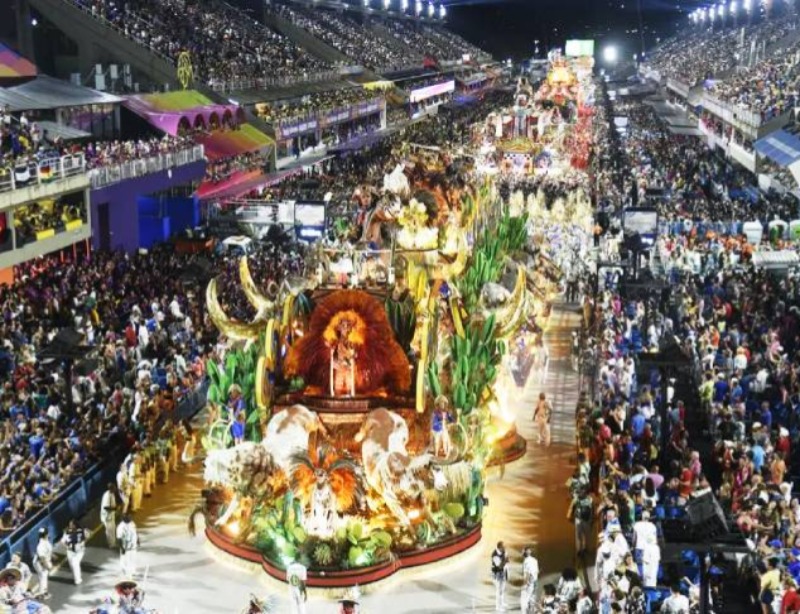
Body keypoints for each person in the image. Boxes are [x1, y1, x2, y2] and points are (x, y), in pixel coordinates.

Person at [61, 519, 86, 585]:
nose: (70, 526)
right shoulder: (67, 532)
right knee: (72, 566)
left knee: (75, 562)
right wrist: (67, 546)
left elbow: (83, 539)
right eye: (69, 524)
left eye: (71, 524)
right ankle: (77, 575)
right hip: (70, 551)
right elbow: (62, 541)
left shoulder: (80, 531)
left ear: (75, 525)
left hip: (79, 551)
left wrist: (81, 545)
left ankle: (77, 580)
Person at [116, 514, 139, 578]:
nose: (131, 518)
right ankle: (125, 572)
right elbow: (119, 539)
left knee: (133, 559)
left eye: (130, 517)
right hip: (125, 547)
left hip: (133, 546)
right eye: (129, 517)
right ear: (124, 518)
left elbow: (135, 532)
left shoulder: (132, 523)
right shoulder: (120, 527)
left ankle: (133, 571)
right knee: (125, 560)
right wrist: (122, 548)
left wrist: (138, 540)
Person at [32, 528, 52, 599]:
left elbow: (47, 551)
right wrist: (46, 566)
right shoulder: (41, 545)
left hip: (41, 561)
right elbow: (42, 558)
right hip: (39, 563)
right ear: (46, 534)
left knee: (43, 576)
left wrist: (53, 555)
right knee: (43, 576)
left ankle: (43, 592)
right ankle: (42, 594)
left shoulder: (44, 541)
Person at [573, 488, 594, 557]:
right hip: (579, 519)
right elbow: (573, 508)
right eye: (579, 493)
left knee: (585, 535)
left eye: (581, 493)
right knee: (579, 535)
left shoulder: (589, 500)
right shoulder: (577, 499)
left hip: (585, 519)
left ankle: (585, 548)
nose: (580, 494)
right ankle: (580, 549)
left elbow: (592, 510)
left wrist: (591, 519)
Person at [491, 541, 509, 611]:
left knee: (502, 589)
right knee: (498, 591)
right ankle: (498, 607)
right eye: (503, 546)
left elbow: (507, 561)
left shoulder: (504, 552)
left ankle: (502, 603)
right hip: (497, 574)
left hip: (503, 572)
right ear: (500, 547)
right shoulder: (495, 555)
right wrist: (505, 560)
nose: (505, 547)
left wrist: (506, 560)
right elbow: (499, 566)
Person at [520, 547, 539, 614]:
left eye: (522, 551)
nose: (521, 553)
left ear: (526, 552)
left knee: (524, 601)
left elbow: (528, 573)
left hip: (529, 583)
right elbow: (537, 571)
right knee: (532, 601)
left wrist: (525, 584)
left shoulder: (527, 561)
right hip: (535, 582)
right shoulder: (534, 560)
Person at [101, 483, 119, 548]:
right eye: (114, 488)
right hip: (107, 516)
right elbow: (106, 507)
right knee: (109, 530)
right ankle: (110, 544)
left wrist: (115, 510)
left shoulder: (112, 494)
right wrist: (114, 509)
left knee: (113, 529)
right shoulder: (107, 496)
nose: (115, 489)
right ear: (111, 488)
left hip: (111, 515)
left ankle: (113, 543)